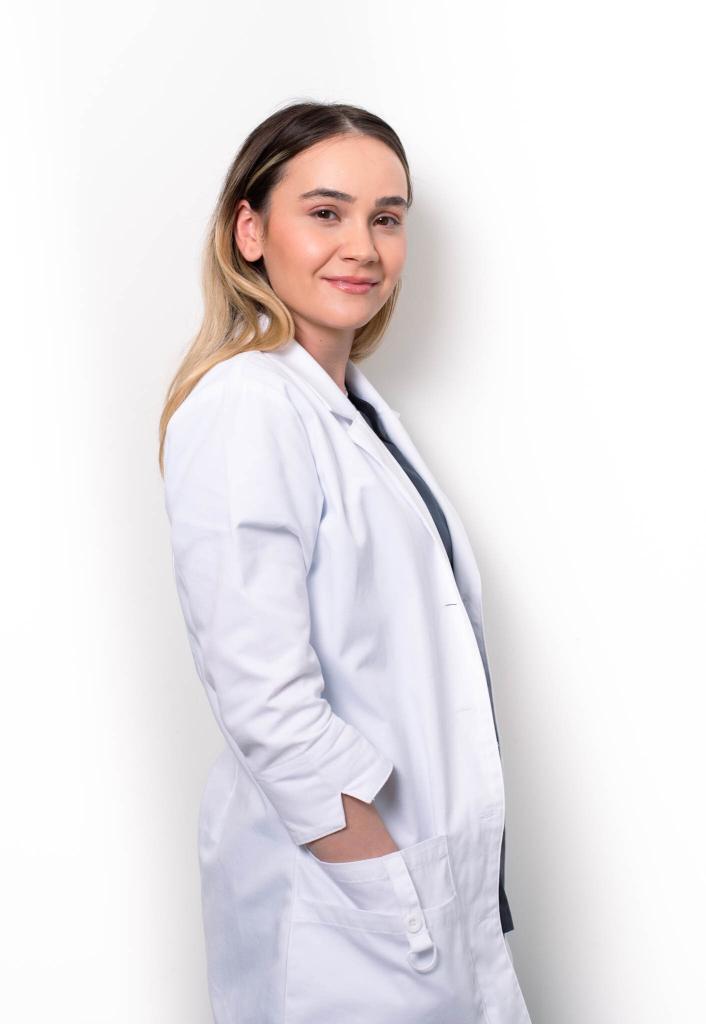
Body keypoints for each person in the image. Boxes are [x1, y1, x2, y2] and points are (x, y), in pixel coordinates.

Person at [159, 101, 532, 1024]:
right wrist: (384, 882)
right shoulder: (248, 405)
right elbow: (264, 699)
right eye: (325, 212)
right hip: (350, 910)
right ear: (250, 232)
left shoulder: (350, 408)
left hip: (422, 893)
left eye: (387, 217)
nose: (362, 247)